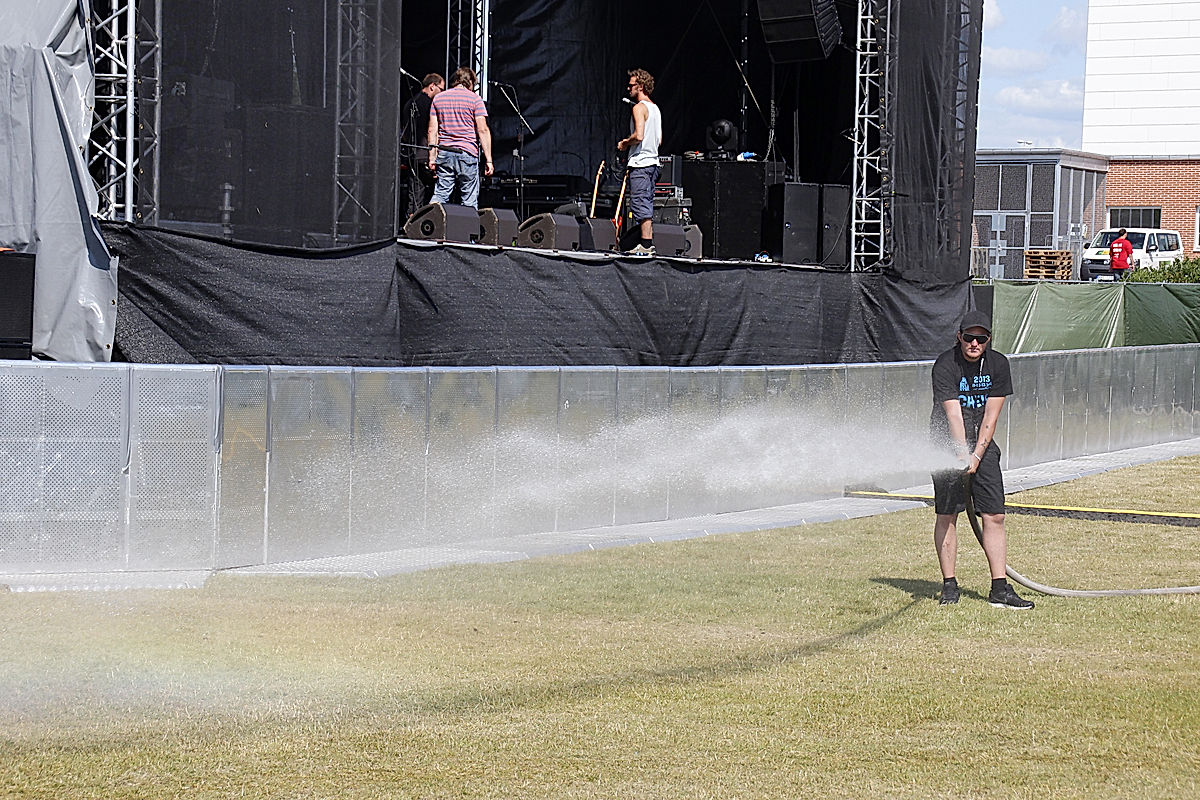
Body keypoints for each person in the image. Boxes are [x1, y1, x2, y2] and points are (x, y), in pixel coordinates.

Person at [929, 310, 1034, 610]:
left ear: (988, 340)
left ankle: (999, 588)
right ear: (959, 337)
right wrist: (962, 454)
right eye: (969, 337)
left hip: (982, 445)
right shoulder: (945, 365)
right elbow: (953, 415)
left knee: (994, 515)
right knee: (948, 514)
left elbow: (991, 415)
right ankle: (950, 585)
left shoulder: (998, 364)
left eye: (981, 338)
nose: (975, 343)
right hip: (947, 445)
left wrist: (976, 456)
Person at [427, 67, 493, 208]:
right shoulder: (475, 99)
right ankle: (467, 229)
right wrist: (489, 160)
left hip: (444, 151)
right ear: (470, 82)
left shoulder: (438, 98)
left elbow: (432, 130)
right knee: (469, 198)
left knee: (440, 194)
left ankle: (430, 223)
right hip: (467, 152)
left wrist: (432, 157)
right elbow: (483, 130)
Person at [616, 68, 662, 256]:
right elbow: (659, 140)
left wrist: (625, 143)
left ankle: (646, 244)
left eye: (631, 85)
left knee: (640, 203)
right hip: (653, 163)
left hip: (641, 164)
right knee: (646, 202)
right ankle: (644, 242)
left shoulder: (639, 107)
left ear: (641, 86)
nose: (628, 88)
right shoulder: (656, 109)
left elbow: (639, 135)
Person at [401, 73, 445, 219]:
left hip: (411, 153)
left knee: (415, 191)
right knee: (435, 190)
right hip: (425, 152)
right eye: (441, 89)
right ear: (432, 86)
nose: (442, 93)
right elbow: (431, 130)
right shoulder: (430, 105)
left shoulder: (410, 103)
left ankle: (411, 219)